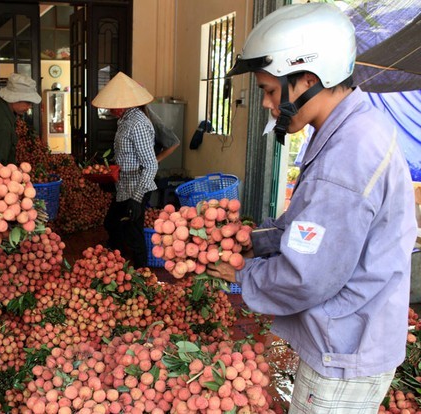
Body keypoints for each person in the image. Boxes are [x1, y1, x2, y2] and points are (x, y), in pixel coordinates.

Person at [205, 3, 418, 413]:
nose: (268, 104)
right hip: (351, 335)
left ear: (307, 79)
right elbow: (310, 227)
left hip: (346, 350)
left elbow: (306, 277)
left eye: (269, 91)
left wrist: (240, 272)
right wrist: (256, 241)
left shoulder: (346, 157)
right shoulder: (353, 129)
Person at [92, 72, 158, 268]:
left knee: (133, 232)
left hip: (136, 187)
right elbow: (128, 155)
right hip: (124, 185)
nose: (109, 108)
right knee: (112, 223)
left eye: (112, 104)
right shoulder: (125, 120)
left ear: (121, 104)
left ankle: (143, 275)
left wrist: (137, 199)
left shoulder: (137, 123)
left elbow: (151, 164)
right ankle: (117, 264)